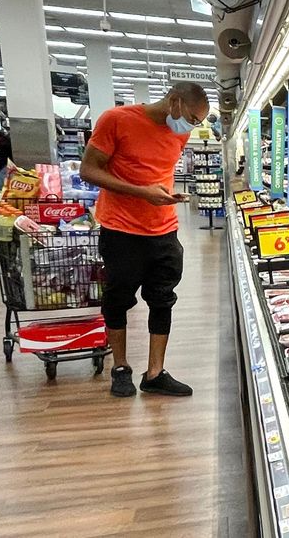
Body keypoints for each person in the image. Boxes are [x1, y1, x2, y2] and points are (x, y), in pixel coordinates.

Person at [80, 82, 210, 397]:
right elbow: (88, 170)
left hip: (164, 229)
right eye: (192, 118)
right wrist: (142, 193)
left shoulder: (181, 133)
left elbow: (157, 172)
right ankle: (120, 368)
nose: (192, 126)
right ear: (175, 101)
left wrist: (165, 194)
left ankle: (155, 373)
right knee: (118, 299)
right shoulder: (116, 120)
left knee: (163, 298)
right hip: (122, 229)